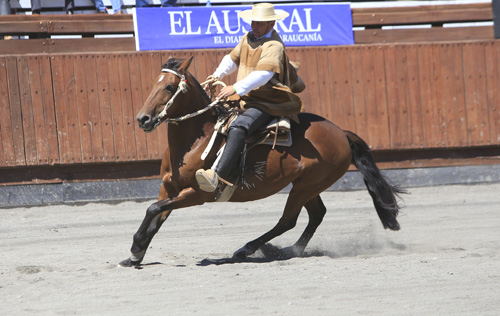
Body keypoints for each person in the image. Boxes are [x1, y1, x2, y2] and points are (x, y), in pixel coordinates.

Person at [195, 3, 303, 193]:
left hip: (267, 101)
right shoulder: (248, 37)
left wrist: (235, 88)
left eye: (259, 23)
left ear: (271, 24)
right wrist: (217, 75)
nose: (254, 26)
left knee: (238, 126)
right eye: (253, 21)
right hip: (248, 96)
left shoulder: (274, 46)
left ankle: (218, 176)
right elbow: (231, 59)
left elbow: (263, 75)